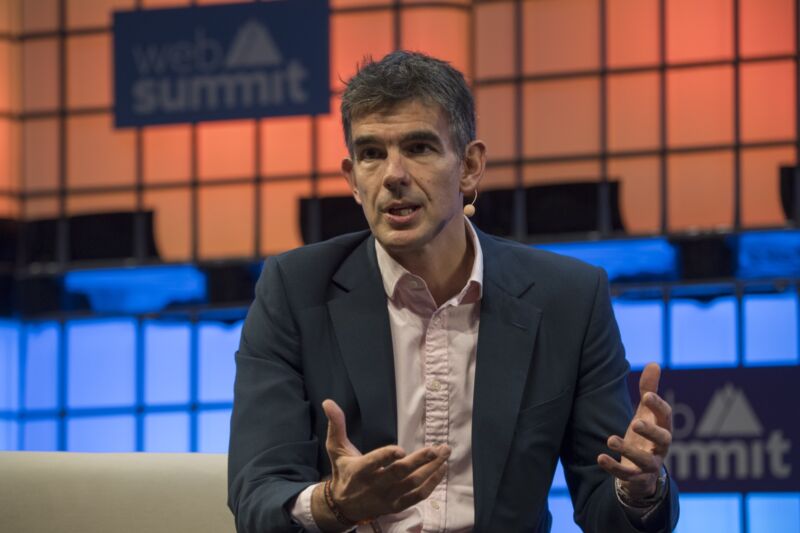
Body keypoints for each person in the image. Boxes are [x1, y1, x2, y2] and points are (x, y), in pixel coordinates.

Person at [228, 51, 679, 533]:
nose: (393, 175)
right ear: (353, 180)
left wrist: (639, 489)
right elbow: (257, 495)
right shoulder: (295, 291)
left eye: (419, 148)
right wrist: (335, 504)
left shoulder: (568, 299)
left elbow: (606, 508)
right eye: (371, 154)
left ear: (469, 166)